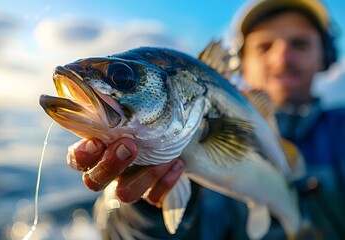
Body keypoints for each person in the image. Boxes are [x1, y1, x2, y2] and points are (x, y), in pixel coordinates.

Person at [66, 0, 345, 239]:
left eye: (299, 43)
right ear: (242, 62)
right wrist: (141, 206)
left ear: (326, 57)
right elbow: (117, 234)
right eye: (265, 46)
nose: (282, 56)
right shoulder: (183, 139)